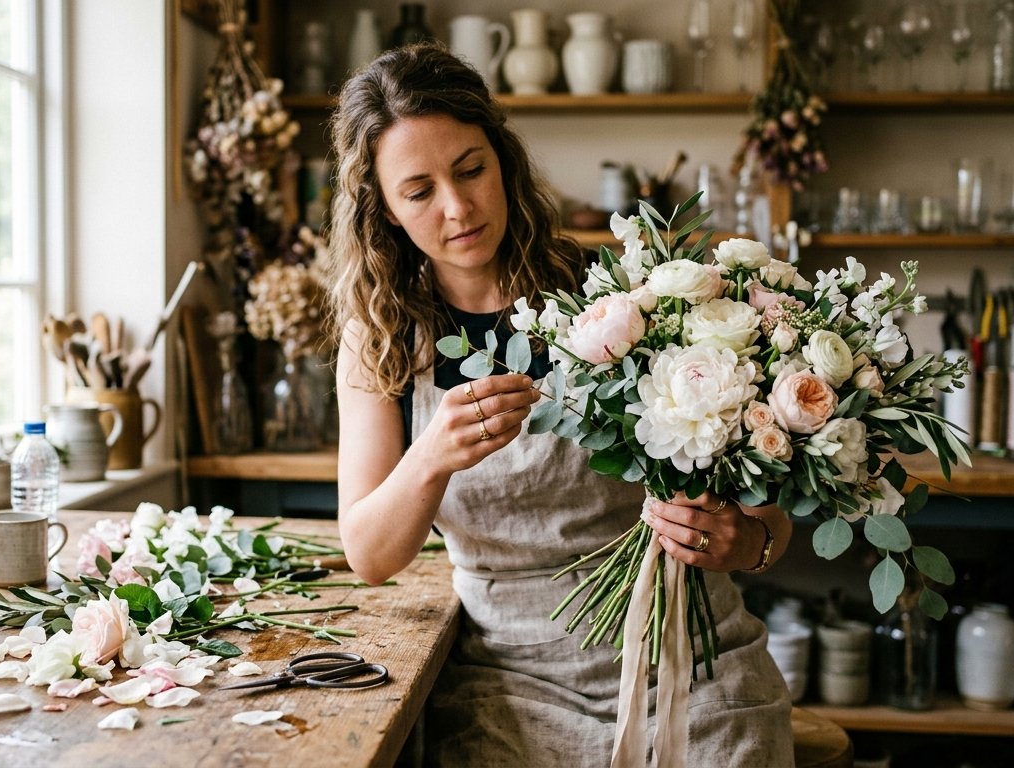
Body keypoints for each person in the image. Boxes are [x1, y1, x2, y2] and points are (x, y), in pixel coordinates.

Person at [320, 43, 795, 766]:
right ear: (382, 210)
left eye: (471, 169)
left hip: (688, 659)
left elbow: (769, 518)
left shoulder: (617, 294)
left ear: (504, 161)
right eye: (418, 191)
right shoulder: (382, 338)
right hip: (509, 684)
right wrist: (431, 458)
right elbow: (371, 554)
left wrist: (746, 543)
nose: (457, 207)